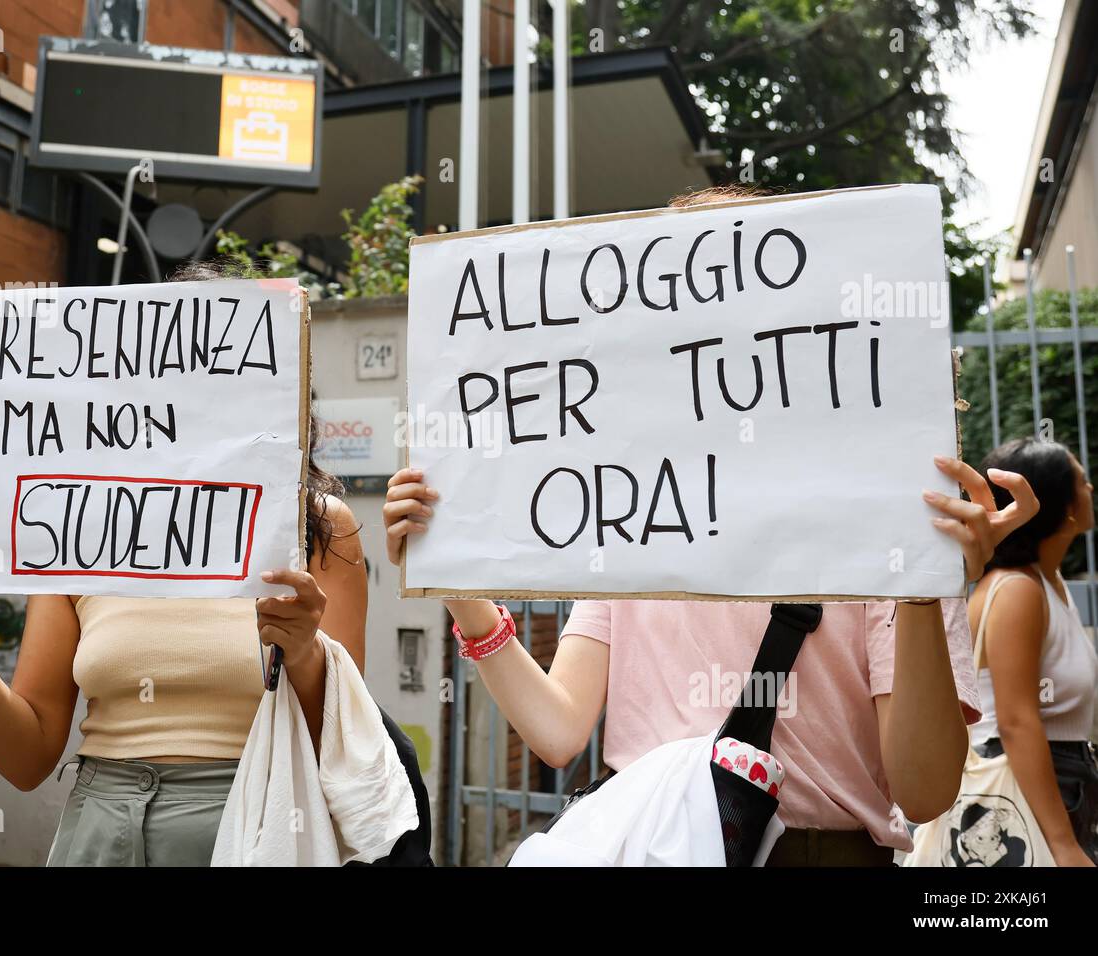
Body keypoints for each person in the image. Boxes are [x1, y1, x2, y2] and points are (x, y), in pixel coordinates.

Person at [383, 185, 1042, 867]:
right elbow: (557, 730)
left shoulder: (885, 513)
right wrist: (456, 579)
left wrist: (922, 587)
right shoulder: (631, 512)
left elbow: (926, 789)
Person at [0, 263, 370, 867]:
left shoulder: (317, 527)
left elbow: (342, 743)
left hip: (261, 830)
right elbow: (27, 758)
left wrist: (302, 651)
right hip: (100, 833)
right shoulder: (80, 528)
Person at [967, 437, 1098, 866]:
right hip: (1024, 792)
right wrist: (1062, 844)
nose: (1091, 488)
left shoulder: (1048, 583)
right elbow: (1017, 720)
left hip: (1060, 784)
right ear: (1062, 504)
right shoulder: (1017, 590)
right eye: (1081, 480)